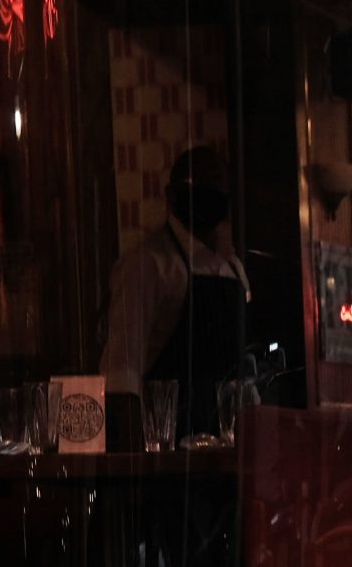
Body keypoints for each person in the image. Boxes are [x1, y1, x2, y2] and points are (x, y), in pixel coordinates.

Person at [101, 145, 249, 441]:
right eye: (199, 186)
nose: (209, 194)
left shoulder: (234, 268)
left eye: (217, 187)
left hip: (226, 445)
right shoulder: (147, 265)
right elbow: (121, 375)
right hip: (168, 447)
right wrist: (140, 460)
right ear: (171, 195)